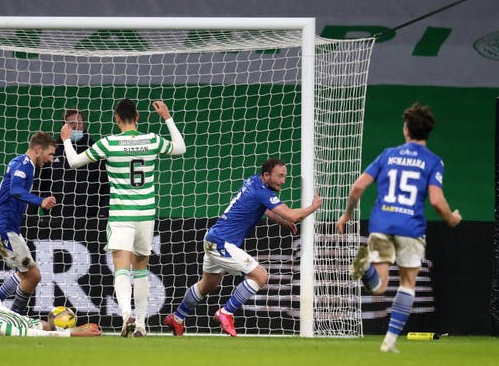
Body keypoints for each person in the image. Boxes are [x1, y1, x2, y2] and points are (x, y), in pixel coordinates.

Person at [336, 103, 461, 353]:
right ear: (428, 132)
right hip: (411, 228)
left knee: (380, 287)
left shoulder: (388, 154)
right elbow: (436, 201)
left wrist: (347, 214)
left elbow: (358, 187)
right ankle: (389, 340)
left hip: (382, 224)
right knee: (406, 285)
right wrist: (452, 218)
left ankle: (365, 267)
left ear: (406, 130)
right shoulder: (434, 161)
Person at [60, 98, 186, 337]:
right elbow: (180, 148)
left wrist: (66, 141)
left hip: (121, 215)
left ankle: (126, 315)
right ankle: (140, 324)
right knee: (140, 270)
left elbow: (74, 162)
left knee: (121, 270)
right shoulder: (151, 140)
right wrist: (167, 117)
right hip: (146, 214)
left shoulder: (109, 143)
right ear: (137, 117)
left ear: (116, 119)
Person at [164, 158, 322, 337]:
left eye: (284, 176)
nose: (283, 181)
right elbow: (293, 216)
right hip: (221, 243)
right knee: (260, 276)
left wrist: (281, 222)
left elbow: (265, 208)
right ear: (266, 175)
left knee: (208, 284)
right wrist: (313, 207)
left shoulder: (253, 181)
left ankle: (177, 318)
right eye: (279, 176)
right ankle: (226, 312)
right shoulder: (262, 192)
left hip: (212, 238)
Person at [0, 131, 57, 316]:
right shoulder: (23, 164)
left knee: (24, 274)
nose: (50, 159)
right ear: (38, 149)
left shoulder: (23, 163)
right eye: (49, 154)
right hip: (4, 229)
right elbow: (15, 189)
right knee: (33, 275)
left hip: (5, 228)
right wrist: (40, 201)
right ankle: (15, 316)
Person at [30, 108, 109, 221]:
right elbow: (37, 184)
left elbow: (105, 187)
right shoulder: (52, 151)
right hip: (55, 219)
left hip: (89, 221)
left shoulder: (94, 151)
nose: (76, 126)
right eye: (71, 123)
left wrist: (104, 211)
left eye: (79, 123)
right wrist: (32, 215)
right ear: (64, 127)